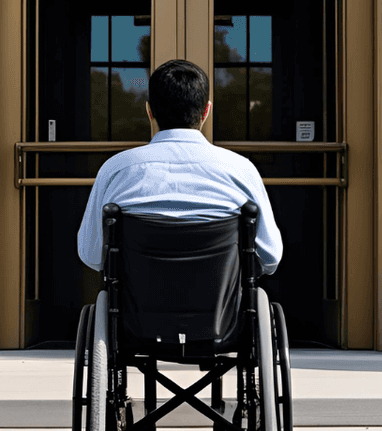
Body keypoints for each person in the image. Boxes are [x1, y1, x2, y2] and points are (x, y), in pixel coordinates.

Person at [77, 59, 282, 274]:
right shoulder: (241, 170)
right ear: (206, 112)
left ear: (149, 111)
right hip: (220, 305)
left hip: (138, 305)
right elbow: (270, 258)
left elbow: (91, 255)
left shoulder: (115, 170)